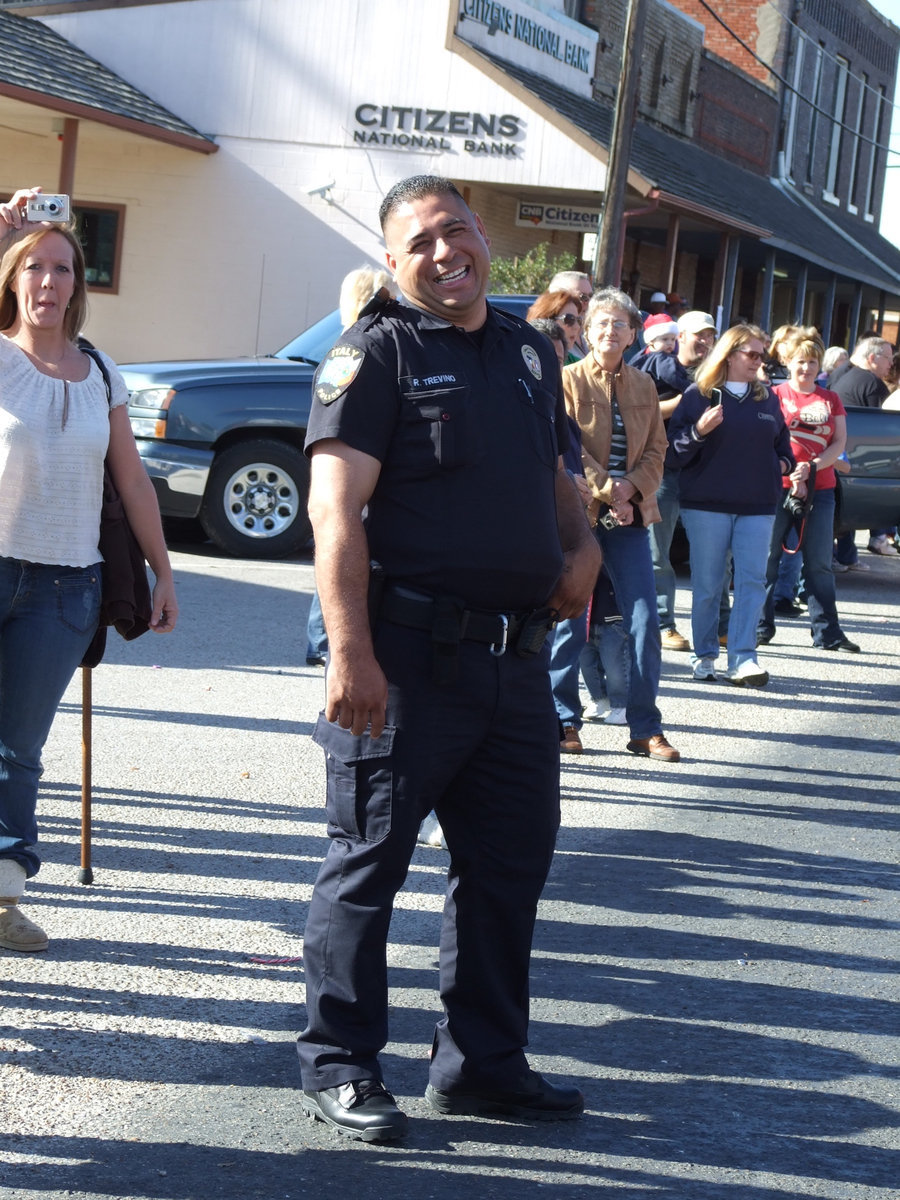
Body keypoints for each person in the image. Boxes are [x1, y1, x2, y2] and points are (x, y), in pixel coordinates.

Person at [296, 175, 600, 1141]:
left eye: (457, 230)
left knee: (507, 869)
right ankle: (342, 1064)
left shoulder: (524, 348)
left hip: (515, 665)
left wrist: (584, 548)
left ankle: (482, 1066)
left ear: (482, 236)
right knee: (369, 864)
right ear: (394, 261)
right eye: (421, 241)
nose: (446, 252)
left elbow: (556, 472)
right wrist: (351, 654)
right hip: (407, 657)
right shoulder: (372, 354)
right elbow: (334, 512)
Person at [0, 188, 177, 954]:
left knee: (16, 749)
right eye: (33, 266)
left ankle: (3, 895)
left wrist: (164, 573)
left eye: (63, 267)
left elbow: (132, 479)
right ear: (12, 278)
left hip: (66, 586)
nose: (48, 282)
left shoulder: (101, 371)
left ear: (80, 282)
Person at [563, 286, 680, 763]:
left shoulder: (644, 385)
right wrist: (613, 493)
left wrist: (632, 489)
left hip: (632, 517)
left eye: (620, 324)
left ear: (634, 334)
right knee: (570, 619)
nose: (611, 330)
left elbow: (658, 449)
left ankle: (644, 728)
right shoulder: (568, 380)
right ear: (587, 332)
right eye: (601, 323)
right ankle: (562, 720)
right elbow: (569, 449)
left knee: (644, 620)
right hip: (580, 515)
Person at [668, 324, 794, 687]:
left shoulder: (767, 399)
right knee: (709, 584)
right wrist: (698, 432)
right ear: (729, 355)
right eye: (752, 354)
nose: (759, 361)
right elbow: (672, 454)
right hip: (706, 505)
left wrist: (781, 466)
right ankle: (704, 656)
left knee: (753, 582)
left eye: (762, 355)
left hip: (758, 505)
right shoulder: (698, 395)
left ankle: (743, 658)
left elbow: (783, 449)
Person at [306, 266, 398, 667]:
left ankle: (322, 639)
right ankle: (326, 641)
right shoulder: (357, 351)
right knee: (342, 550)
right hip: (356, 475)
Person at [757, 327, 859, 653]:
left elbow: (840, 442)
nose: (806, 368)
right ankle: (758, 626)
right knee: (766, 560)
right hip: (777, 489)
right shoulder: (774, 396)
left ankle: (828, 633)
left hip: (821, 490)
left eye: (812, 362)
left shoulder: (831, 399)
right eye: (801, 361)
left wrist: (813, 466)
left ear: (820, 366)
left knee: (819, 564)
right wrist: (789, 467)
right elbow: (763, 441)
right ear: (788, 362)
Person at [634, 309, 718, 652]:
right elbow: (638, 407)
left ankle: (721, 626)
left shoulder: (717, 372)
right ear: (679, 337)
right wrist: (684, 400)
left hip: (706, 472)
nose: (705, 341)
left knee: (716, 556)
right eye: (698, 334)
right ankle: (664, 625)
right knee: (658, 554)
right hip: (663, 471)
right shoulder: (657, 365)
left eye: (710, 335)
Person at [829, 335, 897, 557]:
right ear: (872, 358)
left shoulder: (845, 375)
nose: (891, 364)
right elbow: (887, 424)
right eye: (888, 358)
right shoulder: (871, 383)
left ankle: (846, 556)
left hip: (845, 453)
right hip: (861, 454)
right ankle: (866, 545)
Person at [526, 289, 584, 363]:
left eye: (579, 320)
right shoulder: (527, 358)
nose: (577, 327)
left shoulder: (576, 365)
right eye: (569, 319)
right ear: (545, 320)